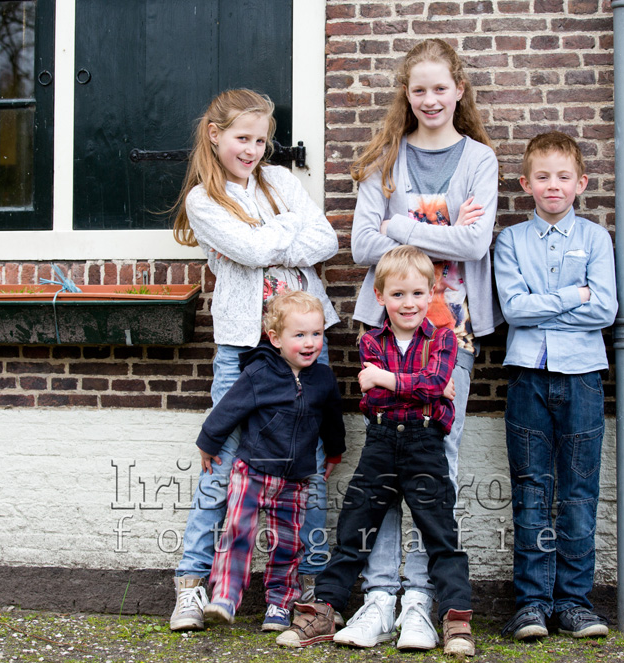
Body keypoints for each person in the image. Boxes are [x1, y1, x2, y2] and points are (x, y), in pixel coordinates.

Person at [344, 38, 500, 651]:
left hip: (450, 335)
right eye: (419, 90)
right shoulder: (386, 158)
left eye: (440, 88)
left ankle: (421, 600)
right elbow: (361, 245)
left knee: (438, 467)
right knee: (383, 466)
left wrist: (400, 225)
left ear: (459, 90)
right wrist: (445, 230)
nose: (430, 99)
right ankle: (380, 596)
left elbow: (476, 243)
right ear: (405, 95)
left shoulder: (479, 160)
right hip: (387, 333)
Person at [169, 88, 341, 632]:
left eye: (261, 140)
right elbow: (251, 251)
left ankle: (309, 586)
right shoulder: (203, 201)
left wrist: (267, 237)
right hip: (244, 349)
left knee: (309, 469)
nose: (252, 149)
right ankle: (191, 584)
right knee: (221, 465)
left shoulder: (282, 182)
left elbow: (326, 240)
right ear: (215, 135)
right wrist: (283, 232)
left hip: (304, 345)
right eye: (242, 138)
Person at [275, 246, 476, 657]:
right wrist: (425, 387)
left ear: (432, 293)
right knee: (354, 529)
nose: (409, 303)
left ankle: (455, 619)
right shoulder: (370, 341)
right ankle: (325, 609)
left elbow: (430, 382)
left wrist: (389, 379)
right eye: (398, 294)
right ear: (380, 296)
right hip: (381, 443)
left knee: (440, 533)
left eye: (417, 293)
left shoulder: (443, 338)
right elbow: (382, 397)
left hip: (425, 445)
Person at [493, 131, 617, 640]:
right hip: (528, 377)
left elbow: (604, 309)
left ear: (580, 183)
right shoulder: (510, 241)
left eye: (563, 177)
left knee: (579, 493)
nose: (553, 186)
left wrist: (545, 306)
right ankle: (532, 604)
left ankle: (574, 603)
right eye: (542, 177)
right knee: (531, 490)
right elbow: (513, 310)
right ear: (526, 184)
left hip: (583, 378)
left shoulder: (596, 239)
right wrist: (573, 296)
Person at [198, 291, 345, 630]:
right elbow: (229, 409)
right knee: (237, 533)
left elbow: (332, 420)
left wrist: (334, 451)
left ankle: (280, 604)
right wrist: (208, 442)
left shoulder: (323, 379)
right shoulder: (260, 372)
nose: (310, 343)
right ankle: (224, 597)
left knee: (288, 545)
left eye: (316, 334)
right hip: (251, 472)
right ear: (276, 338)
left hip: (295, 480)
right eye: (300, 335)